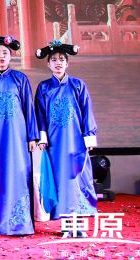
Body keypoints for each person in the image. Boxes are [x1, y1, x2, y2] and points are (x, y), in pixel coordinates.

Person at [0, 36, 38, 235]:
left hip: (18, 137)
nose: (1, 56)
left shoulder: (20, 79)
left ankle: (21, 223)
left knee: (20, 174)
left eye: (5, 53)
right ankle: (0, 222)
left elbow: (29, 108)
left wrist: (32, 136)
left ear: (11, 56)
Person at [35, 40, 98, 226]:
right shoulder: (44, 87)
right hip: (54, 144)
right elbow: (39, 114)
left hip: (75, 141)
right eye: (54, 60)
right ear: (48, 64)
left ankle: (77, 224)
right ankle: (65, 224)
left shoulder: (78, 85)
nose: (58, 63)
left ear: (67, 63)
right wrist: (42, 136)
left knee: (77, 179)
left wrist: (89, 136)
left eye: (62, 59)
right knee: (59, 181)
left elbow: (87, 111)